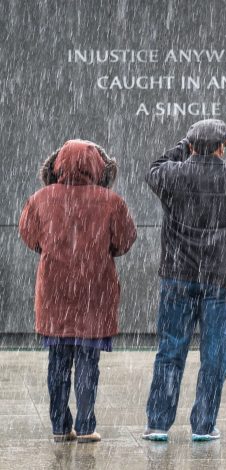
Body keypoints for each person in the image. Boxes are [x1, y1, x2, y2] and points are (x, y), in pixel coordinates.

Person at [142, 119, 226, 442]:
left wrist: (181, 146)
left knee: (171, 351)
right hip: (222, 279)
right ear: (221, 148)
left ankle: (159, 423)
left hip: (177, 276)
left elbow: (154, 169)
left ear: (190, 147)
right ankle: (203, 424)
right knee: (215, 353)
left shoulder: (171, 176)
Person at [18, 139, 137, 443]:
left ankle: (59, 426)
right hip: (94, 293)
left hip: (54, 293)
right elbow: (124, 241)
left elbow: (29, 236)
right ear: (99, 166)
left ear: (57, 165)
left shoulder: (40, 199)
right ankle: (85, 426)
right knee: (88, 362)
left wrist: (51, 250)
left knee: (57, 362)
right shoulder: (111, 201)